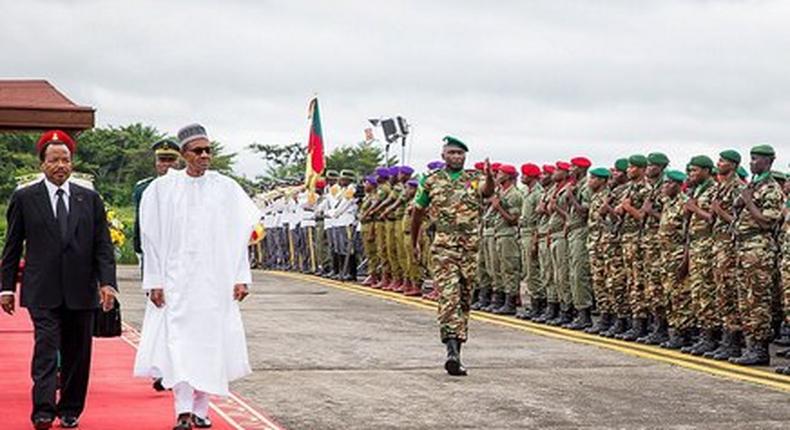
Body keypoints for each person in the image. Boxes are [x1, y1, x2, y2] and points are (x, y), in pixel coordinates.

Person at [133, 124, 260, 429]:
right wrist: (154, 281)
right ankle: (183, 409)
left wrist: (241, 276)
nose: (204, 156)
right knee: (178, 343)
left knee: (210, 345)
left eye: (208, 150)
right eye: (197, 151)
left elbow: (239, 235)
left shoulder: (226, 188)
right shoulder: (162, 190)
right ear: (183, 154)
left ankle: (202, 410)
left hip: (214, 282)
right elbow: (150, 239)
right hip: (176, 282)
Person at [1, 130, 117, 429]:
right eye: (54, 160)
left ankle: (70, 409)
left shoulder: (89, 199)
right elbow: (12, 245)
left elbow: (102, 245)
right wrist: (6, 287)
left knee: (78, 353)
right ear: (42, 164)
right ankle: (42, 409)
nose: (60, 166)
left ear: (72, 163)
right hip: (42, 289)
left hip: (81, 289)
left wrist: (107, 283)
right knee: (46, 348)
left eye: (65, 160)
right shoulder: (25, 198)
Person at [411, 136, 494, 376]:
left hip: (469, 247)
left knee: (465, 298)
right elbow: (418, 211)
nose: (457, 157)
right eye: (452, 153)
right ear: (443, 155)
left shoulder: (474, 179)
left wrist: (488, 176)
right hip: (444, 247)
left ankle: (458, 349)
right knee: (449, 297)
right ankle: (451, 352)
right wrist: (414, 242)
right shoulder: (431, 180)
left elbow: (487, 192)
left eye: (460, 153)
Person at [131, 138, 181, 392]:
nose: (166, 165)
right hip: (153, 259)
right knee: (159, 313)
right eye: (162, 160)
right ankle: (161, 367)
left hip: (181, 262)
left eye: (171, 160)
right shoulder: (144, 189)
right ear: (155, 162)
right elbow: (140, 224)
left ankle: (174, 368)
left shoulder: (186, 187)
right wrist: (139, 251)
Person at [729, 145, 783, 366]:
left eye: (756, 159)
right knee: (745, 299)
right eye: (751, 159)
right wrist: (741, 203)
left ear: (768, 161)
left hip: (759, 249)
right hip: (744, 247)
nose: (751, 163)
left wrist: (749, 202)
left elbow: (767, 222)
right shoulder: (754, 185)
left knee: (758, 300)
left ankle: (760, 349)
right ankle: (751, 345)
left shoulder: (771, 188)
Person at [515, 163, 544, 320]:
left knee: (534, 271)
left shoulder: (537, 193)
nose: (522, 177)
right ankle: (535, 305)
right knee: (528, 271)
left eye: (525, 174)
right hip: (524, 232)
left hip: (532, 232)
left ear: (531, 176)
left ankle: (538, 305)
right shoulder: (528, 192)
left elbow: (540, 220)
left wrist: (535, 240)